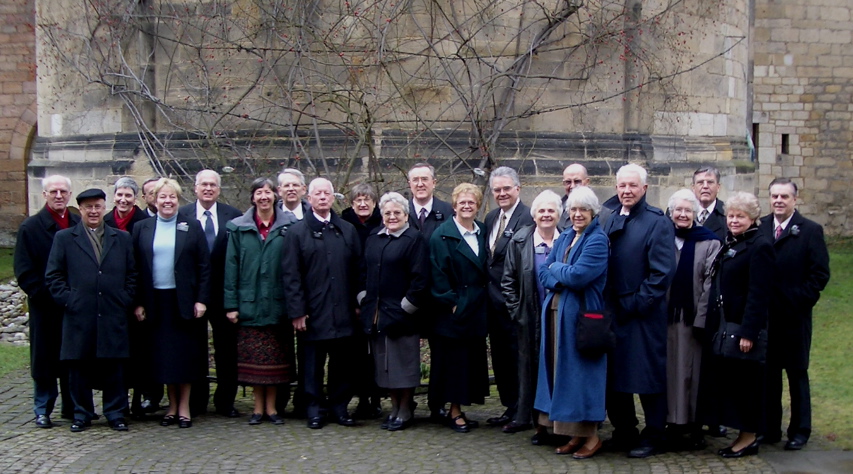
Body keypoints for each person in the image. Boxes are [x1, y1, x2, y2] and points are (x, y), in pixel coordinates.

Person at [45, 188, 137, 433]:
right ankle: (82, 413)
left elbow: (132, 274)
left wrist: (124, 298)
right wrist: (69, 300)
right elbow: (53, 275)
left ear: (104, 207)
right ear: (81, 210)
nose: (94, 211)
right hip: (79, 313)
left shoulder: (122, 238)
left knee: (114, 367)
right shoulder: (65, 238)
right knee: (79, 367)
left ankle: (115, 413)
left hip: (112, 311)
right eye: (88, 207)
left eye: (98, 206)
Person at [600, 163, 676, 458]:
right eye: (622, 185)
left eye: (632, 186)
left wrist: (634, 304)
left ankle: (655, 435)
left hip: (642, 315)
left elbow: (661, 274)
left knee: (647, 378)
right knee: (614, 378)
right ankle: (624, 431)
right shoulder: (608, 217)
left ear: (644, 188)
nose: (626, 191)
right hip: (611, 313)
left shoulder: (657, 222)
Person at [282, 177, 364, 429]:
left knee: (343, 364)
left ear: (332, 198)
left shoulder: (347, 230)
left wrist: (359, 303)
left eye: (327, 193)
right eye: (317, 193)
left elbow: (359, 270)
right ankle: (314, 409)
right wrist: (297, 311)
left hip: (344, 311)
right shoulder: (296, 232)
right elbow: (290, 274)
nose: (322, 197)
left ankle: (339, 407)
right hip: (312, 313)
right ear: (309, 198)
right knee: (311, 365)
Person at [533, 186, 609, 459]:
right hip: (555, 316)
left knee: (581, 377)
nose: (577, 214)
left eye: (583, 210)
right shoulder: (565, 236)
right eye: (573, 209)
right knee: (561, 375)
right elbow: (543, 272)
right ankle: (575, 434)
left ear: (593, 212)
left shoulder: (597, 240)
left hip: (582, 319)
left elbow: (579, 276)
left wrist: (557, 270)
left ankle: (592, 437)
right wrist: (557, 273)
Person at [698, 191, 775, 458]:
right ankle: (741, 435)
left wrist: (748, 332)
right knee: (732, 384)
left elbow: (759, 293)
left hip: (743, 329)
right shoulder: (733, 242)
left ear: (753, 218)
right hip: (725, 325)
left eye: (740, 216)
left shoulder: (760, 246)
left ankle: (749, 437)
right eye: (731, 215)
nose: (733, 220)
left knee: (747, 386)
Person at [132, 178, 211, 429]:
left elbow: (204, 267)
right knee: (164, 358)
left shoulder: (192, 226)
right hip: (156, 302)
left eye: (172, 197)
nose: (168, 201)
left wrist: (201, 300)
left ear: (179, 200)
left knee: (184, 358)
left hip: (184, 302)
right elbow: (134, 269)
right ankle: (172, 406)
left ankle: (185, 407)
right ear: (154, 200)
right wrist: (138, 302)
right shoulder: (141, 228)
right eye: (163, 197)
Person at [759, 178, 830, 450]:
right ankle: (770, 428)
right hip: (766, 317)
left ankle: (800, 430)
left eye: (784, 197)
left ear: (794, 200)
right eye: (774, 196)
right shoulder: (761, 227)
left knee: (797, 373)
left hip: (794, 317)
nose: (779, 200)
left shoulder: (811, 230)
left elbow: (819, 274)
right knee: (768, 376)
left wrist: (799, 300)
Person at [224, 178, 296, 425]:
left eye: (267, 192)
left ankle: (273, 409)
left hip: (279, 305)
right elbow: (231, 267)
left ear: (275, 195)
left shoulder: (291, 226)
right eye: (258, 193)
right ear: (252, 197)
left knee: (276, 361)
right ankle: (257, 409)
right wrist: (231, 305)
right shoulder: (237, 228)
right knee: (254, 362)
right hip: (249, 305)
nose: (264, 197)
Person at [14, 175, 79, 428]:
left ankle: (72, 407)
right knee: (45, 360)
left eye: (63, 191)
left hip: (73, 306)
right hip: (45, 306)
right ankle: (43, 408)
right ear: (45, 195)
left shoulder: (77, 223)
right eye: (54, 192)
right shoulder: (30, 228)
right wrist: (48, 294)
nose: (59, 195)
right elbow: (24, 271)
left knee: (72, 358)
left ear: (70, 194)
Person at [360, 192, 429, 431]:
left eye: (397, 213)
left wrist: (406, 307)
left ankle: (405, 408)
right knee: (385, 365)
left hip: (402, 315)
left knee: (402, 365)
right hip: (376, 313)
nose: (392, 217)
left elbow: (420, 279)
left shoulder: (414, 239)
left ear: (405, 214)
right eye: (387, 213)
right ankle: (394, 407)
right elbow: (362, 272)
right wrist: (364, 299)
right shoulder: (373, 238)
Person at [177, 170, 243, 418]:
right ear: (195, 188)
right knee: (195, 349)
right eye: (203, 184)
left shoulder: (233, 216)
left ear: (218, 189)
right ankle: (196, 401)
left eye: (213, 185)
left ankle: (226, 401)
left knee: (227, 350)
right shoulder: (181, 215)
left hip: (224, 294)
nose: (208, 188)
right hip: (193, 294)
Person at [428, 183, 490, 433]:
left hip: (477, 308)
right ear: (454, 206)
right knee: (453, 362)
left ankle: (461, 406)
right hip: (453, 310)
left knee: (470, 362)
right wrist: (452, 302)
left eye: (471, 202)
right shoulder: (441, 235)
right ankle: (453, 411)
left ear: (477, 206)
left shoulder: (482, 231)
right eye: (462, 202)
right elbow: (437, 273)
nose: (467, 206)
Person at [500, 190, 561, 442]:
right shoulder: (520, 240)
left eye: (551, 211)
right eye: (541, 211)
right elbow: (508, 281)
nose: (546, 215)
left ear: (559, 215)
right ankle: (538, 423)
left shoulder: (567, 239)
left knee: (558, 369)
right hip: (529, 315)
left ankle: (562, 424)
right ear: (534, 214)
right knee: (532, 370)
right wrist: (517, 312)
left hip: (559, 317)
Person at [664, 189, 721, 450]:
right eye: (678, 210)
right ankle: (673, 424)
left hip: (694, 320)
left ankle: (695, 425)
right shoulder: (664, 238)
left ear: (696, 214)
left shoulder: (708, 242)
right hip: (665, 318)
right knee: (670, 372)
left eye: (688, 210)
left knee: (693, 373)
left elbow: (711, 282)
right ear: (671, 212)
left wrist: (702, 318)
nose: (683, 215)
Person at [484, 166, 534, 430]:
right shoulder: (492, 217)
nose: (502, 194)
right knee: (501, 359)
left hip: (516, 304)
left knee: (519, 359)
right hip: (492, 305)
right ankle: (510, 406)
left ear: (518, 188)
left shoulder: (528, 217)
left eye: (506, 188)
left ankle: (523, 412)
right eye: (497, 190)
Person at [103, 176, 157, 419]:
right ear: (114, 196)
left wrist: (139, 301)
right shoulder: (103, 222)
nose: (123, 199)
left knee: (139, 351)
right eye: (119, 194)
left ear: (136, 198)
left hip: (134, 297)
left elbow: (144, 266)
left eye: (128, 195)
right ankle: (116, 399)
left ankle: (143, 398)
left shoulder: (144, 223)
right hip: (109, 299)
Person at [406, 163, 455, 422]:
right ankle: (405, 402)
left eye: (425, 179)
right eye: (415, 180)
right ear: (409, 184)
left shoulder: (447, 211)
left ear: (434, 183)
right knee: (405, 350)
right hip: (408, 296)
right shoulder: (398, 210)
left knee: (440, 353)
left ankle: (437, 403)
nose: (420, 184)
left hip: (438, 297)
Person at [341, 182, 384, 419]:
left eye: (367, 199)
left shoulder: (383, 223)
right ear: (351, 203)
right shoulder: (344, 224)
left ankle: (376, 397)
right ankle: (360, 398)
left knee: (375, 354)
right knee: (355, 354)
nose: (363, 203)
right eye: (358, 199)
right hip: (352, 299)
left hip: (378, 300)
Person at [692, 167, 727, 240]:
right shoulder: (681, 213)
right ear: (693, 188)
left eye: (710, 182)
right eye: (700, 182)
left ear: (718, 187)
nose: (705, 186)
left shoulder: (728, 214)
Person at [558, 163, 591, 229]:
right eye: (568, 182)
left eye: (577, 181)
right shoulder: (556, 210)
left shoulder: (602, 214)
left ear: (587, 182)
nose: (572, 186)